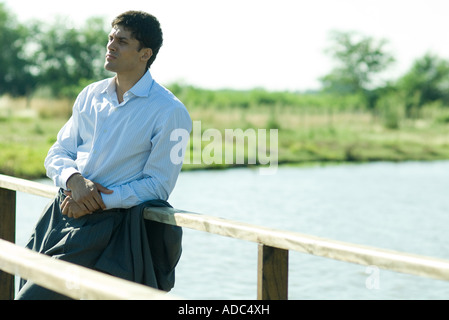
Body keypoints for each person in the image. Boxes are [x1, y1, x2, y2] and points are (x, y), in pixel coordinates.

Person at [16, 10, 192, 300]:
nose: (110, 46)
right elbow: (59, 151)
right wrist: (74, 180)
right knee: (23, 282)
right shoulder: (90, 95)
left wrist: (96, 201)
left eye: (122, 41)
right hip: (61, 212)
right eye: (111, 38)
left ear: (144, 53)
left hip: (108, 228)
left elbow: (158, 184)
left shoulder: (170, 111)